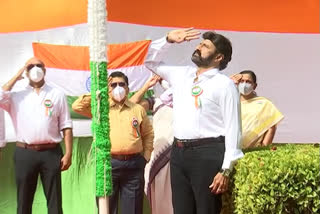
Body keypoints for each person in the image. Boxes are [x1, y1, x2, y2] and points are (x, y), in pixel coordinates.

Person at [144, 28, 244, 214]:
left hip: (208, 154)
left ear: (218, 57)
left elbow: (234, 128)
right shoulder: (183, 75)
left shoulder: (224, 84)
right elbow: (150, 60)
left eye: (205, 46)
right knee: (181, 209)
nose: (198, 47)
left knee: (206, 210)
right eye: (200, 43)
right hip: (179, 152)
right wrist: (168, 40)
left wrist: (226, 169)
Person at [72, 71, 154, 214]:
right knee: (107, 209)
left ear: (127, 88)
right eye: (113, 85)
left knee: (133, 209)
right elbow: (77, 106)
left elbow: (148, 134)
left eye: (121, 84)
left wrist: (145, 157)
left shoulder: (137, 110)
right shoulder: (100, 109)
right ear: (109, 88)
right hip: (108, 164)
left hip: (134, 165)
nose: (118, 88)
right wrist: (102, 90)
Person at [0, 57, 73, 214]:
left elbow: (66, 125)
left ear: (45, 70)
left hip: (51, 152)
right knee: (24, 202)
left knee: (54, 202)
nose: (35, 68)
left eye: (39, 65)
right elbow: (0, 96)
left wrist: (68, 153)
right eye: (30, 66)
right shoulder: (16, 96)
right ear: (26, 72)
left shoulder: (57, 94)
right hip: (24, 153)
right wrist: (17, 74)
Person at [131, 76, 174, 214]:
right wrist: (146, 86)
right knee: (158, 192)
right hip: (158, 155)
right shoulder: (157, 101)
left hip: (178, 153)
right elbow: (131, 106)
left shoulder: (189, 101)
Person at [231, 70, 284, 149]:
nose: (244, 84)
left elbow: (271, 127)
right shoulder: (232, 103)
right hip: (231, 148)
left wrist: (264, 148)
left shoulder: (264, 104)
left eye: (248, 82)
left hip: (254, 150)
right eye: (242, 81)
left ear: (254, 86)